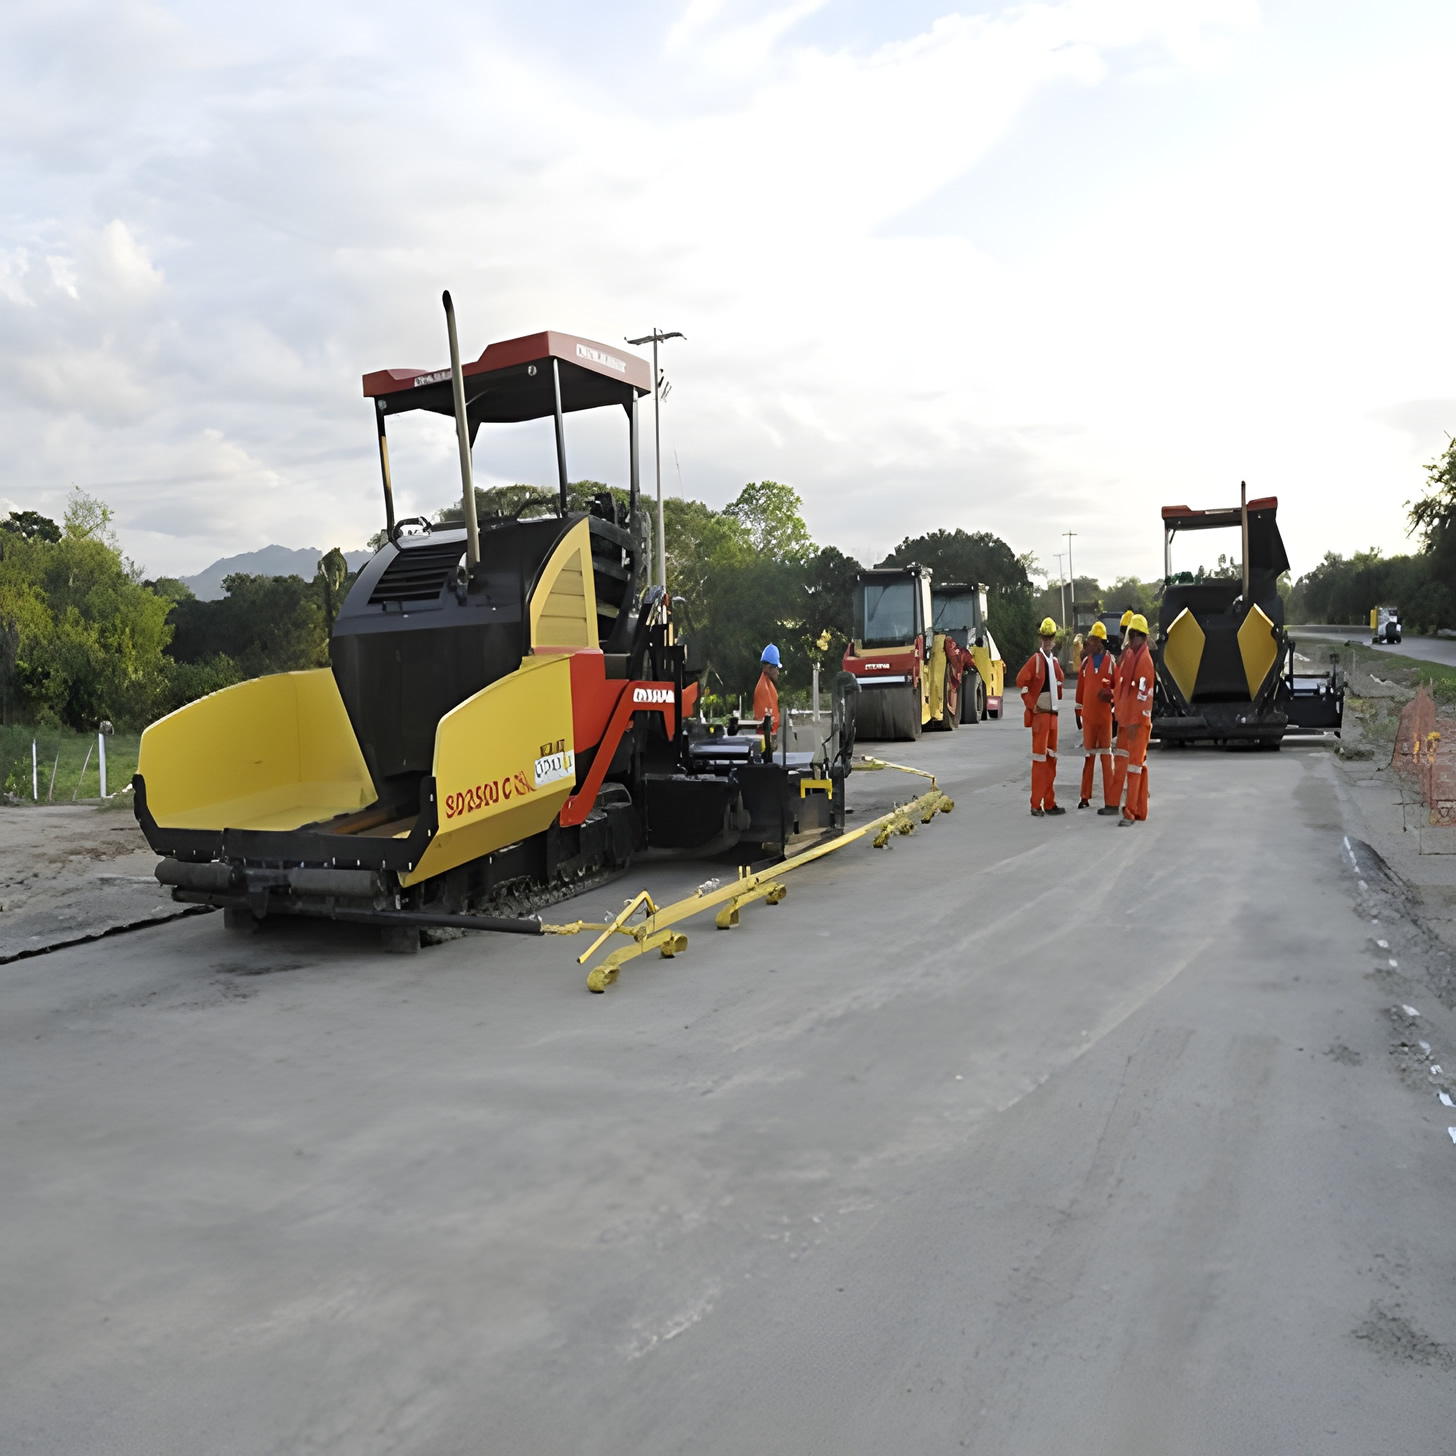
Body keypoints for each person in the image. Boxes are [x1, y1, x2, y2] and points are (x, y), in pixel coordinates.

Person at [1015, 617, 1066, 817]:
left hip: (1053, 716)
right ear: (1040, 638)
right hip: (1041, 716)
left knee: (1051, 760)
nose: (1047, 641)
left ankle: (1050, 802)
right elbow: (1021, 682)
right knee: (1039, 761)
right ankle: (1036, 803)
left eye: (1050, 638)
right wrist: (1031, 704)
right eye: (1045, 637)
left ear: (1054, 639)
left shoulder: (1053, 662)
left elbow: (1060, 680)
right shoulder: (1036, 660)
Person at [1109, 613, 1154, 825]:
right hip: (1127, 720)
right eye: (1131, 635)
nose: (1132, 639)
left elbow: (1143, 697)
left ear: (1141, 637)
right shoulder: (1131, 656)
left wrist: (1136, 722)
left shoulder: (1144, 662)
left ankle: (1131, 811)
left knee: (1135, 766)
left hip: (1137, 723)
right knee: (1133, 764)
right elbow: (1122, 684)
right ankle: (1138, 809)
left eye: (1135, 636)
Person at [1076, 620, 1117, 811]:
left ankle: (1110, 799)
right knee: (1089, 757)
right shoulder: (1086, 663)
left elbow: (1119, 688)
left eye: (1093, 640)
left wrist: (1112, 695)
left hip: (1104, 717)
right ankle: (1084, 797)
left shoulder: (1111, 663)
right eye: (1090, 640)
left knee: (1106, 757)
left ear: (1101, 642)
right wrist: (1078, 712)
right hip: (1089, 718)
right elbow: (1080, 690)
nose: (1089, 644)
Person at [754, 644, 782, 735]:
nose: (778, 672)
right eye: (776, 668)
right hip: (767, 738)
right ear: (769, 668)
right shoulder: (763, 688)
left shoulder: (769, 685)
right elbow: (764, 723)